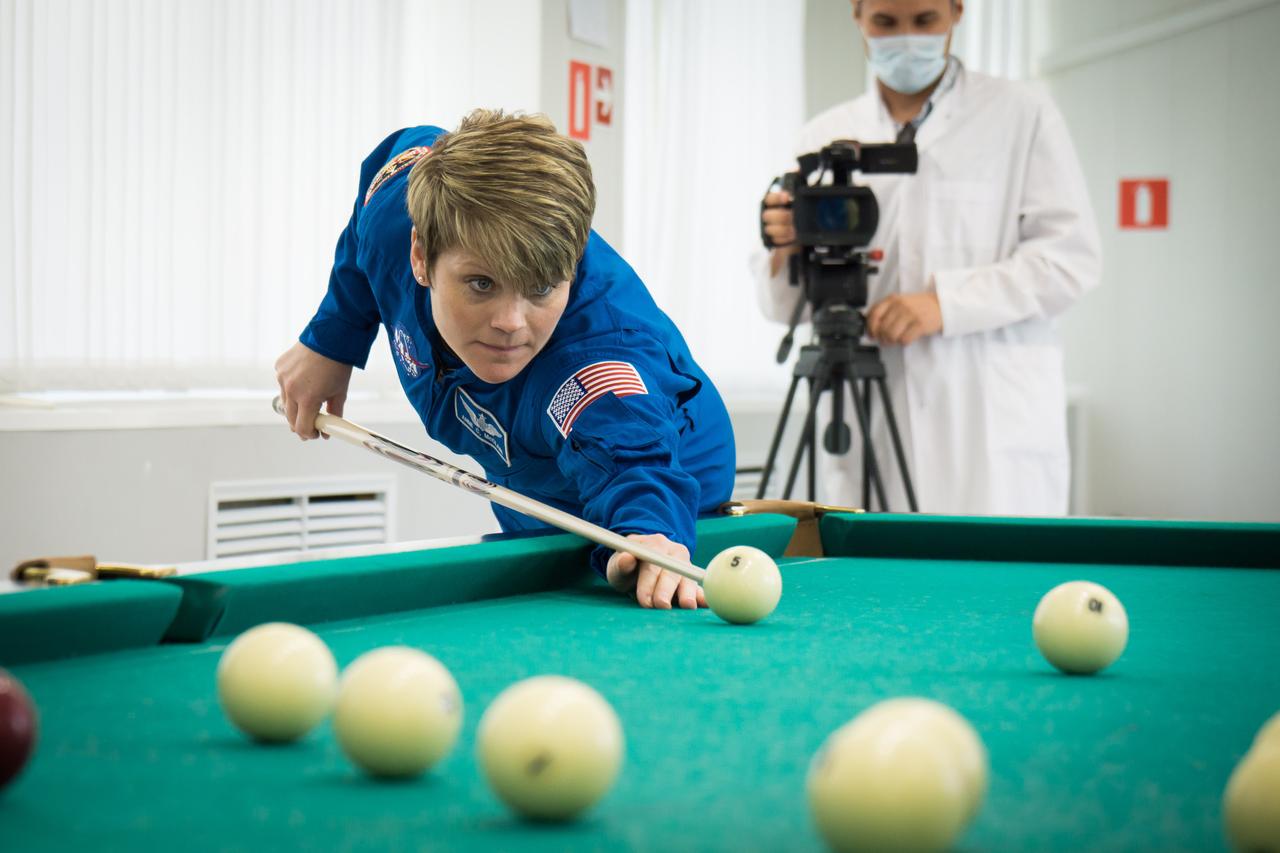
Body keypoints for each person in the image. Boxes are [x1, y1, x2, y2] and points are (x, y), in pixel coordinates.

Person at [276, 110, 736, 610]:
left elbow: (632, 453)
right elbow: (389, 166)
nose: (512, 322)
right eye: (481, 284)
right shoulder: (398, 212)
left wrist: (650, 530)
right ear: (420, 254)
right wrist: (333, 340)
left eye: (541, 288)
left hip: (666, 485)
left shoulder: (593, 365)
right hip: (528, 487)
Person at [754, 0, 1101, 516]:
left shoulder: (1022, 115)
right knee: (865, 578)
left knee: (995, 579)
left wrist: (946, 303)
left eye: (924, 20)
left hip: (985, 414)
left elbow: (1070, 261)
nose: (906, 39)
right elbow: (784, 308)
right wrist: (783, 244)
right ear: (857, 16)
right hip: (865, 400)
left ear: (957, 11)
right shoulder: (824, 136)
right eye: (886, 23)